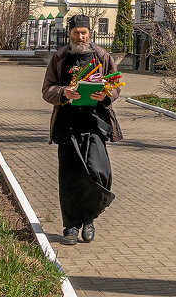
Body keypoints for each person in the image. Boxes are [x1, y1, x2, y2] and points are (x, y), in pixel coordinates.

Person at [42, 14, 122, 245]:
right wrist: (63, 93)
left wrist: (105, 94)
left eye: (84, 32)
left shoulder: (102, 56)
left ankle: (89, 218)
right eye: (76, 32)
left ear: (90, 33)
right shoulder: (59, 57)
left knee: (99, 171)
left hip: (95, 124)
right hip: (67, 125)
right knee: (70, 178)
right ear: (70, 34)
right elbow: (47, 90)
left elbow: (115, 85)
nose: (80, 36)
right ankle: (71, 228)